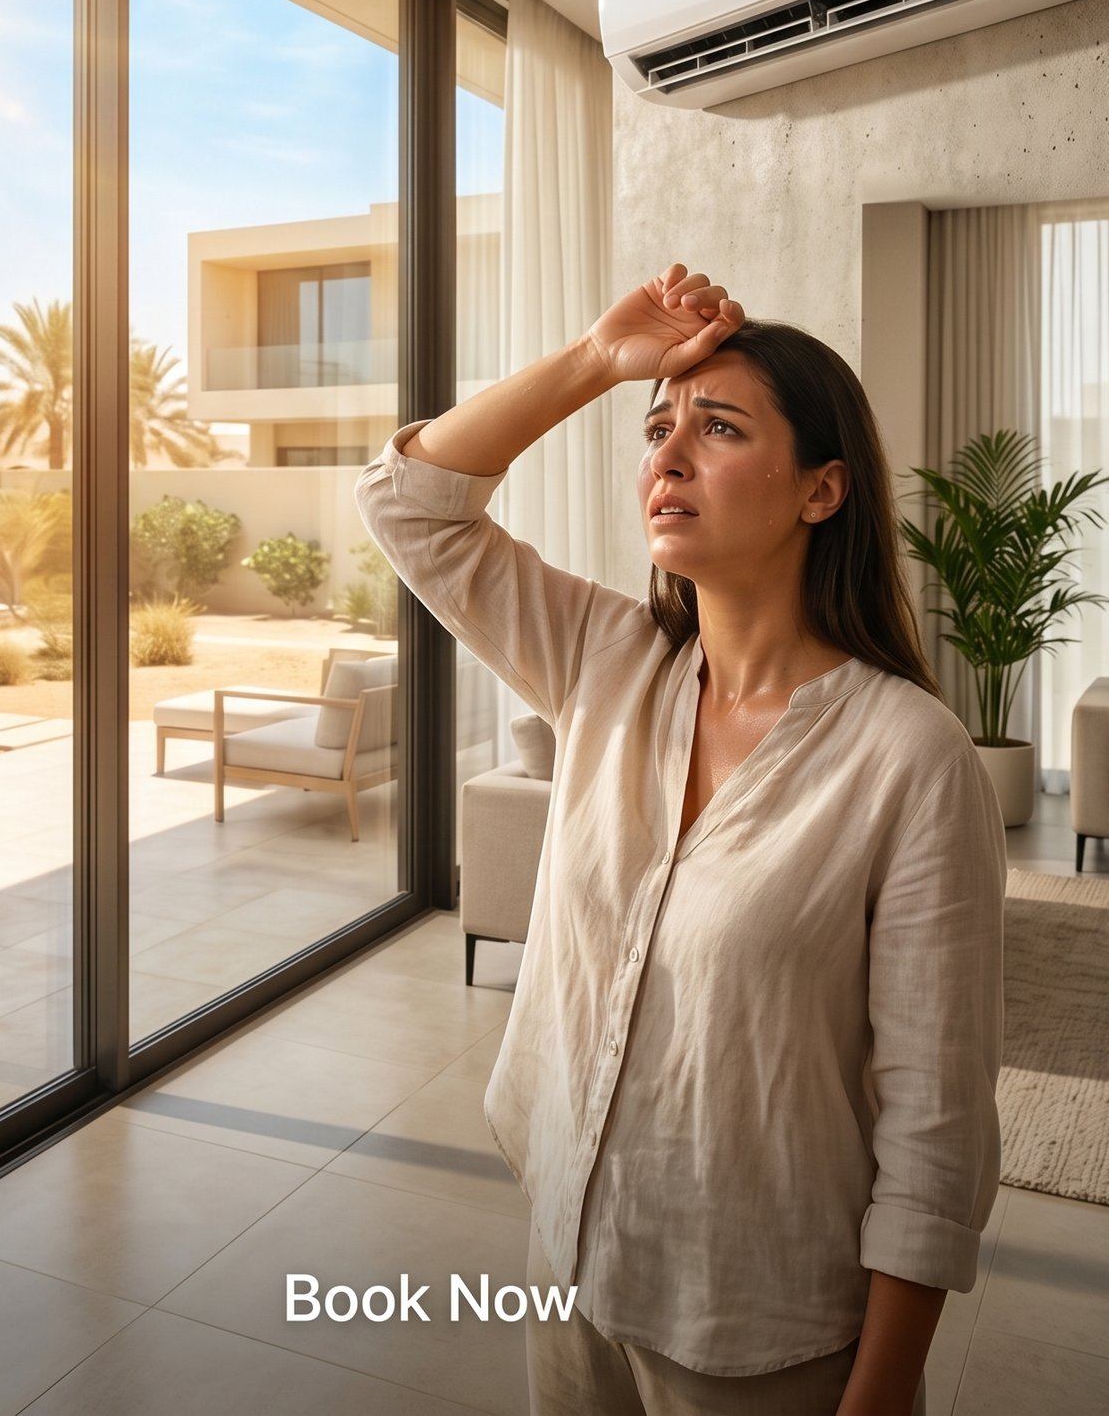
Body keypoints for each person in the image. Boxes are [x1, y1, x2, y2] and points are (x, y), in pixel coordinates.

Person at [354, 262, 1007, 1416]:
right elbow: (408, 502)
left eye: (716, 427)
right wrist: (599, 358)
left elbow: (936, 1119)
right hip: (570, 1270)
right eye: (658, 428)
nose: (666, 455)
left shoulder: (910, 755)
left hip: (762, 1326)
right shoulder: (609, 666)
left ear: (820, 489)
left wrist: (882, 1386)